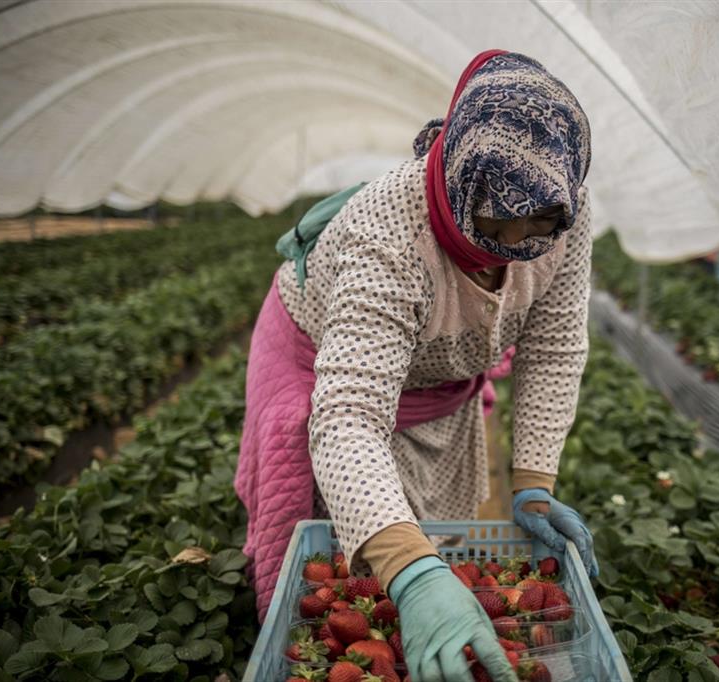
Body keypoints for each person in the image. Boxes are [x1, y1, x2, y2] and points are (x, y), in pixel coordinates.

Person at [234, 49, 597, 682]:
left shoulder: (566, 205)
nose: (515, 245)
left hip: (438, 379)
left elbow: (554, 341)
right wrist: (409, 566)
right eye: (495, 222)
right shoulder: (388, 232)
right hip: (325, 364)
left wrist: (535, 482)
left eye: (538, 222)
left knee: (431, 535)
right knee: (353, 543)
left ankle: (426, 594)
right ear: (457, 183)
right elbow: (348, 416)